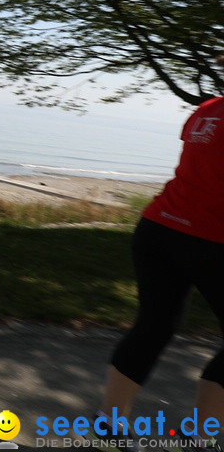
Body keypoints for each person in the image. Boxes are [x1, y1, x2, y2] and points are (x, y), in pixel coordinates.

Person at [89, 56, 224, 450]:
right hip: (207, 240)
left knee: (154, 326)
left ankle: (110, 422)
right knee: (155, 325)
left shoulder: (207, 110)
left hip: (159, 229)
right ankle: (201, 435)